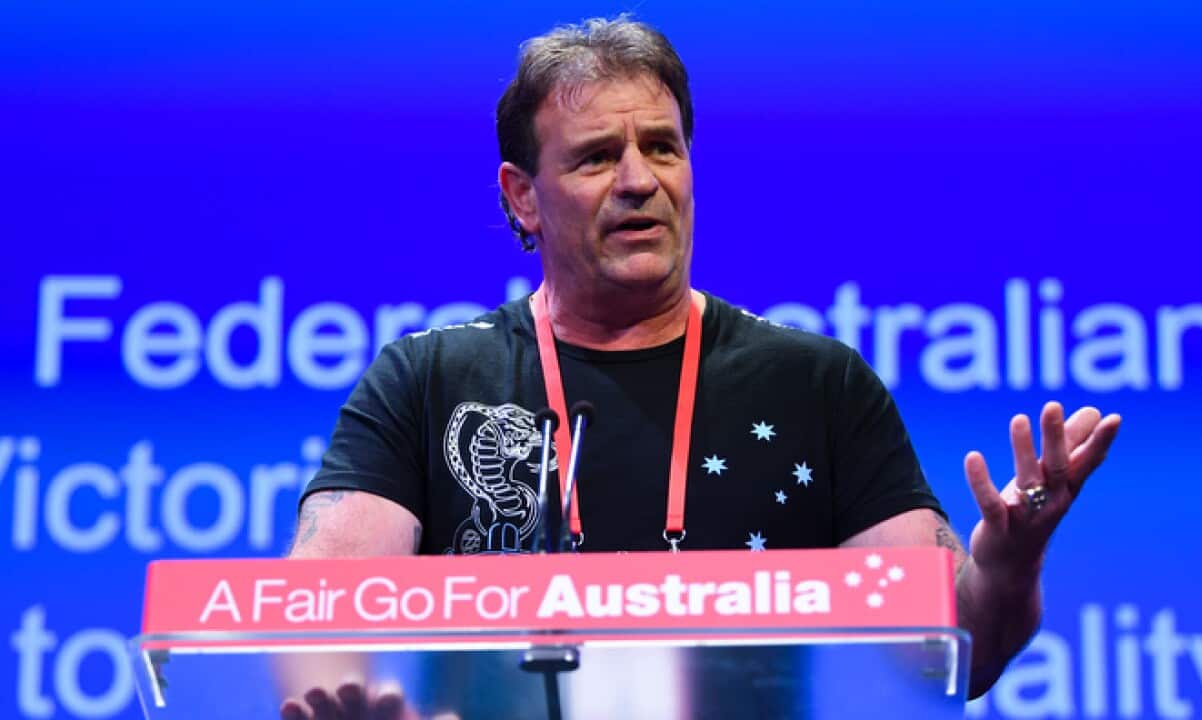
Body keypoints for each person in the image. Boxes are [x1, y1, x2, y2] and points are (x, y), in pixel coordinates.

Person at [280, 16, 1121, 719]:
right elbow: (314, 615)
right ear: (522, 195)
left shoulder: (815, 383)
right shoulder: (428, 379)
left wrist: (1010, 567)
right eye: (597, 156)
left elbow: (942, 653)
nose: (640, 180)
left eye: (663, 147)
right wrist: (348, 701)